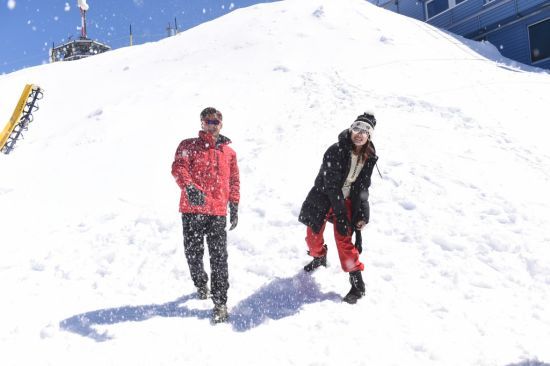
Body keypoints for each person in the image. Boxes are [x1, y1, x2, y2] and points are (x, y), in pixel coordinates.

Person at [298, 112, 378, 304]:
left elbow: (362, 187)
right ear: (351, 129)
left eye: (365, 131)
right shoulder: (336, 150)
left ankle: (357, 284)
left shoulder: (368, 156)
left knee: (344, 241)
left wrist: (362, 215)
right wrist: (340, 214)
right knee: (312, 236)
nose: (360, 133)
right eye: (357, 128)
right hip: (324, 198)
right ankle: (319, 256)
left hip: (348, 200)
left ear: (369, 136)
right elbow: (331, 185)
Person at [171, 107, 240, 323]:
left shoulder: (229, 153)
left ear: (221, 124)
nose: (212, 125)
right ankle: (201, 283)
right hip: (192, 210)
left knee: (219, 258)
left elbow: (234, 180)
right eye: (208, 121)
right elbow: (178, 168)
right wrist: (189, 187)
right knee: (193, 254)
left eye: (216, 121)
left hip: (217, 212)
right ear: (202, 123)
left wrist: (234, 204)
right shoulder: (188, 146)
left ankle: (220, 303)